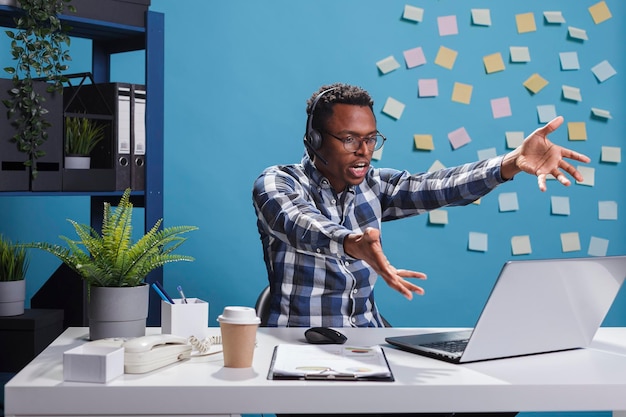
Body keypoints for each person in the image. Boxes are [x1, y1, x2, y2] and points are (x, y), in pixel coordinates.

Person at [251, 82, 590, 416]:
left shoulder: (374, 185)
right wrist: (351, 242)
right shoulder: (278, 182)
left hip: (372, 352)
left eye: (371, 139)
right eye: (349, 139)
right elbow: (296, 222)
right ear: (315, 140)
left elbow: (436, 186)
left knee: (496, 393)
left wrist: (510, 163)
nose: (364, 150)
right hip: (302, 354)